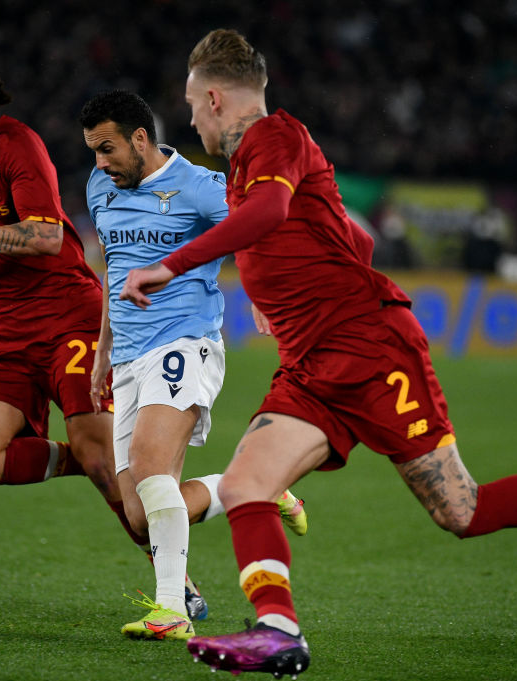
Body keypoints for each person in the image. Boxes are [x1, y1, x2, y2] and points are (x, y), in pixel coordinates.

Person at [119, 29, 517, 677]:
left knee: (462, 511)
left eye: (190, 104)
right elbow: (356, 241)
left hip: (373, 352)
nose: (188, 119)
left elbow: (269, 213)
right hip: (313, 366)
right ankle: (277, 631)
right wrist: (277, 289)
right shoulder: (248, 165)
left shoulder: (274, 136)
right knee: (244, 485)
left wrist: (171, 265)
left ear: (213, 98)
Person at [0, 40, 206, 618]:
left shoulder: (17, 144)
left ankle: (177, 584)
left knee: (106, 464)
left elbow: (45, 236)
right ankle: (78, 458)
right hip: (4, 334)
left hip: (70, 316)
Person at [79, 89, 307, 641]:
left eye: (107, 149)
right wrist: (104, 348)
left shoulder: (201, 186)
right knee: (141, 513)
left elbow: (258, 232)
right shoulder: (100, 187)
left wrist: (264, 294)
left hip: (185, 343)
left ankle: (171, 612)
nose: (100, 164)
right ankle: (256, 486)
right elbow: (115, 268)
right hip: (128, 357)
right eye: (93, 152)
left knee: (151, 465)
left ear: (140, 139)